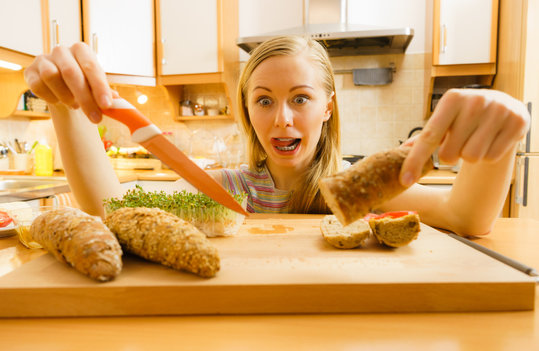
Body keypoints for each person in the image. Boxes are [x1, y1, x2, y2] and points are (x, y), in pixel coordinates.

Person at [24, 35, 529, 236]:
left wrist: (500, 125)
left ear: (328, 108)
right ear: (247, 110)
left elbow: (468, 217)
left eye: (301, 98)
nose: (282, 118)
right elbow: (108, 206)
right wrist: (64, 104)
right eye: (264, 100)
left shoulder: (359, 189)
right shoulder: (223, 192)